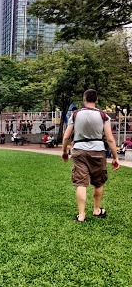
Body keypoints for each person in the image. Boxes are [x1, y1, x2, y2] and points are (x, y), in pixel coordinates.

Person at [62, 89, 119, 222]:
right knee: (98, 182)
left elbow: (66, 136)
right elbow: (110, 139)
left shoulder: (75, 114)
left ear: (84, 99)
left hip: (79, 150)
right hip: (98, 151)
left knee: (81, 182)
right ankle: (96, 210)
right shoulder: (104, 115)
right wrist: (115, 157)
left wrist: (64, 151)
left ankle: (81, 215)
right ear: (96, 100)